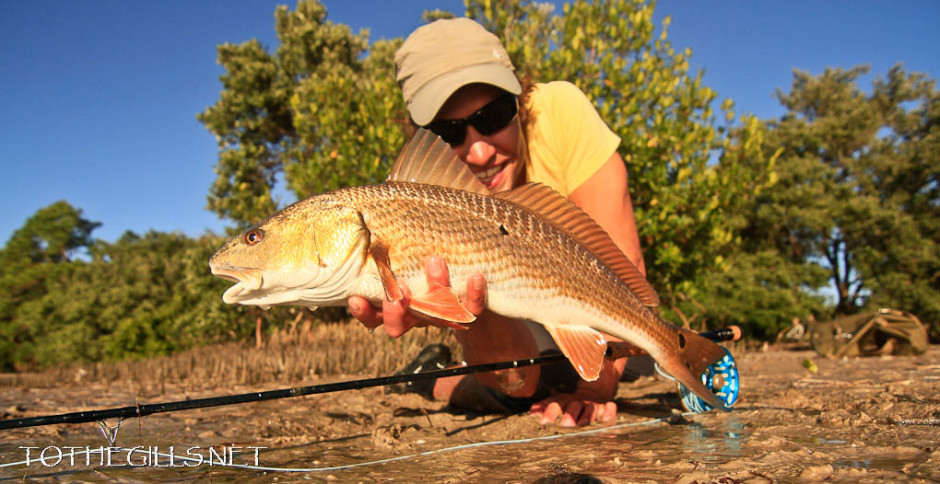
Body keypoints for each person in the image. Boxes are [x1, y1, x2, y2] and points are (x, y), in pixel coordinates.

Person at [347, 18, 648, 427]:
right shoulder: (415, 191)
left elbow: (624, 268)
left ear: (521, 101)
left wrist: (592, 392)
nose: (481, 152)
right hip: (505, 305)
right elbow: (518, 382)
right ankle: (426, 379)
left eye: (494, 116)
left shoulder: (560, 111)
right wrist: (460, 311)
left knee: (632, 362)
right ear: (424, 137)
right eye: (447, 131)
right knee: (517, 392)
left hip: (580, 295)